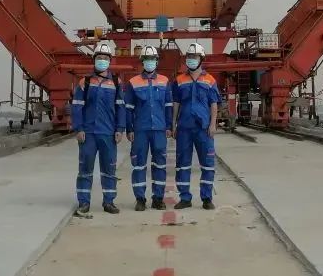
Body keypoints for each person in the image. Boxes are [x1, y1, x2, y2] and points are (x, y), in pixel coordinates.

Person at [71, 42, 125, 215]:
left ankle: (108, 202)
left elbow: (121, 107)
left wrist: (120, 128)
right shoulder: (85, 82)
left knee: (109, 168)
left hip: (108, 133)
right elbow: (77, 106)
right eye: (99, 57)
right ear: (94, 60)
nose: (102, 60)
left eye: (105, 58)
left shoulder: (116, 82)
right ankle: (84, 203)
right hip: (88, 133)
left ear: (110, 61)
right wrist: (78, 128)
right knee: (85, 169)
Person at [171, 41, 220, 210]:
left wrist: (213, 124)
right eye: (189, 56)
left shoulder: (210, 80)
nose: (191, 59)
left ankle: (206, 198)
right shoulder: (179, 80)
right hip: (184, 127)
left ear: (201, 59)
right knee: (183, 163)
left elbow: (214, 104)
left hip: (204, 129)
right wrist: (173, 124)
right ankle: (185, 198)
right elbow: (176, 103)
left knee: (207, 163)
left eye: (195, 56)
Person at [124, 45, 172, 211]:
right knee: (138, 165)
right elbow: (128, 108)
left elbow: (168, 106)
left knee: (160, 165)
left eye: (152, 59)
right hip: (140, 130)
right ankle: (140, 199)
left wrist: (169, 126)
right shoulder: (133, 83)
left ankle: (158, 198)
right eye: (146, 59)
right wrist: (128, 129)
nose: (149, 62)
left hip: (159, 129)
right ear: (142, 62)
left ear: (157, 61)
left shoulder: (165, 81)